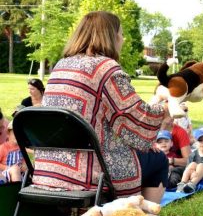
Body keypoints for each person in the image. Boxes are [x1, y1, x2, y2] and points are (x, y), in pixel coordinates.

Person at [35, 11, 169, 203]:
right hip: (88, 170)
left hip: (48, 168)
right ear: (111, 36)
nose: (123, 39)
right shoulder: (106, 68)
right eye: (121, 34)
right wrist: (167, 108)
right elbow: (138, 120)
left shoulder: (61, 66)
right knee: (158, 161)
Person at [177, 126, 203, 194]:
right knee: (192, 164)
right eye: (200, 140)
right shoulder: (192, 155)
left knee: (201, 165)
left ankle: (192, 184)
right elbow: (187, 169)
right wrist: (193, 173)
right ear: (195, 141)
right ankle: (182, 184)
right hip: (193, 174)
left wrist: (199, 174)